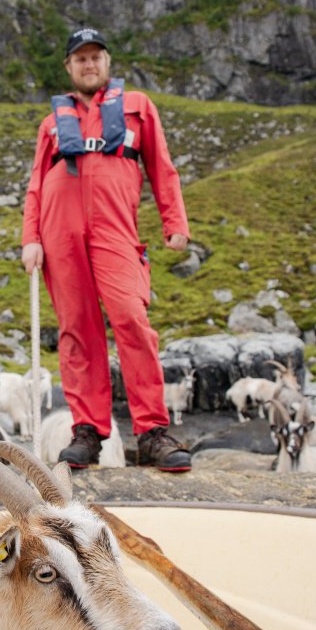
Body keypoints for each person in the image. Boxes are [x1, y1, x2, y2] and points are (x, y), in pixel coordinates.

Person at [21, 26, 192, 471]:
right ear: (69, 67)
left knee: (132, 320)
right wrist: (31, 239)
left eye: (96, 57)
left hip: (115, 231)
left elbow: (162, 167)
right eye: (80, 58)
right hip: (60, 238)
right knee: (77, 332)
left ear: (107, 63)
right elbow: (36, 186)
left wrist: (175, 221)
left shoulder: (137, 108)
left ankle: (152, 432)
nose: (89, 64)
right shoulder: (50, 125)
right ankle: (88, 433)